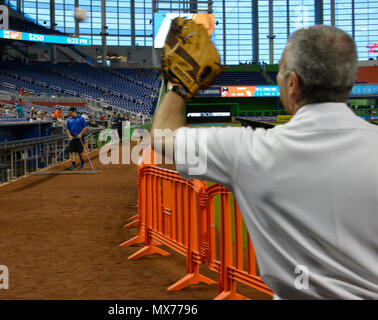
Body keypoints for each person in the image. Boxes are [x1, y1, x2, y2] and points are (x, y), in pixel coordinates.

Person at [151, 25, 378, 299]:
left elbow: (162, 137)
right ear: (348, 82)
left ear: (293, 83)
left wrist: (178, 87)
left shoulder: (248, 150)